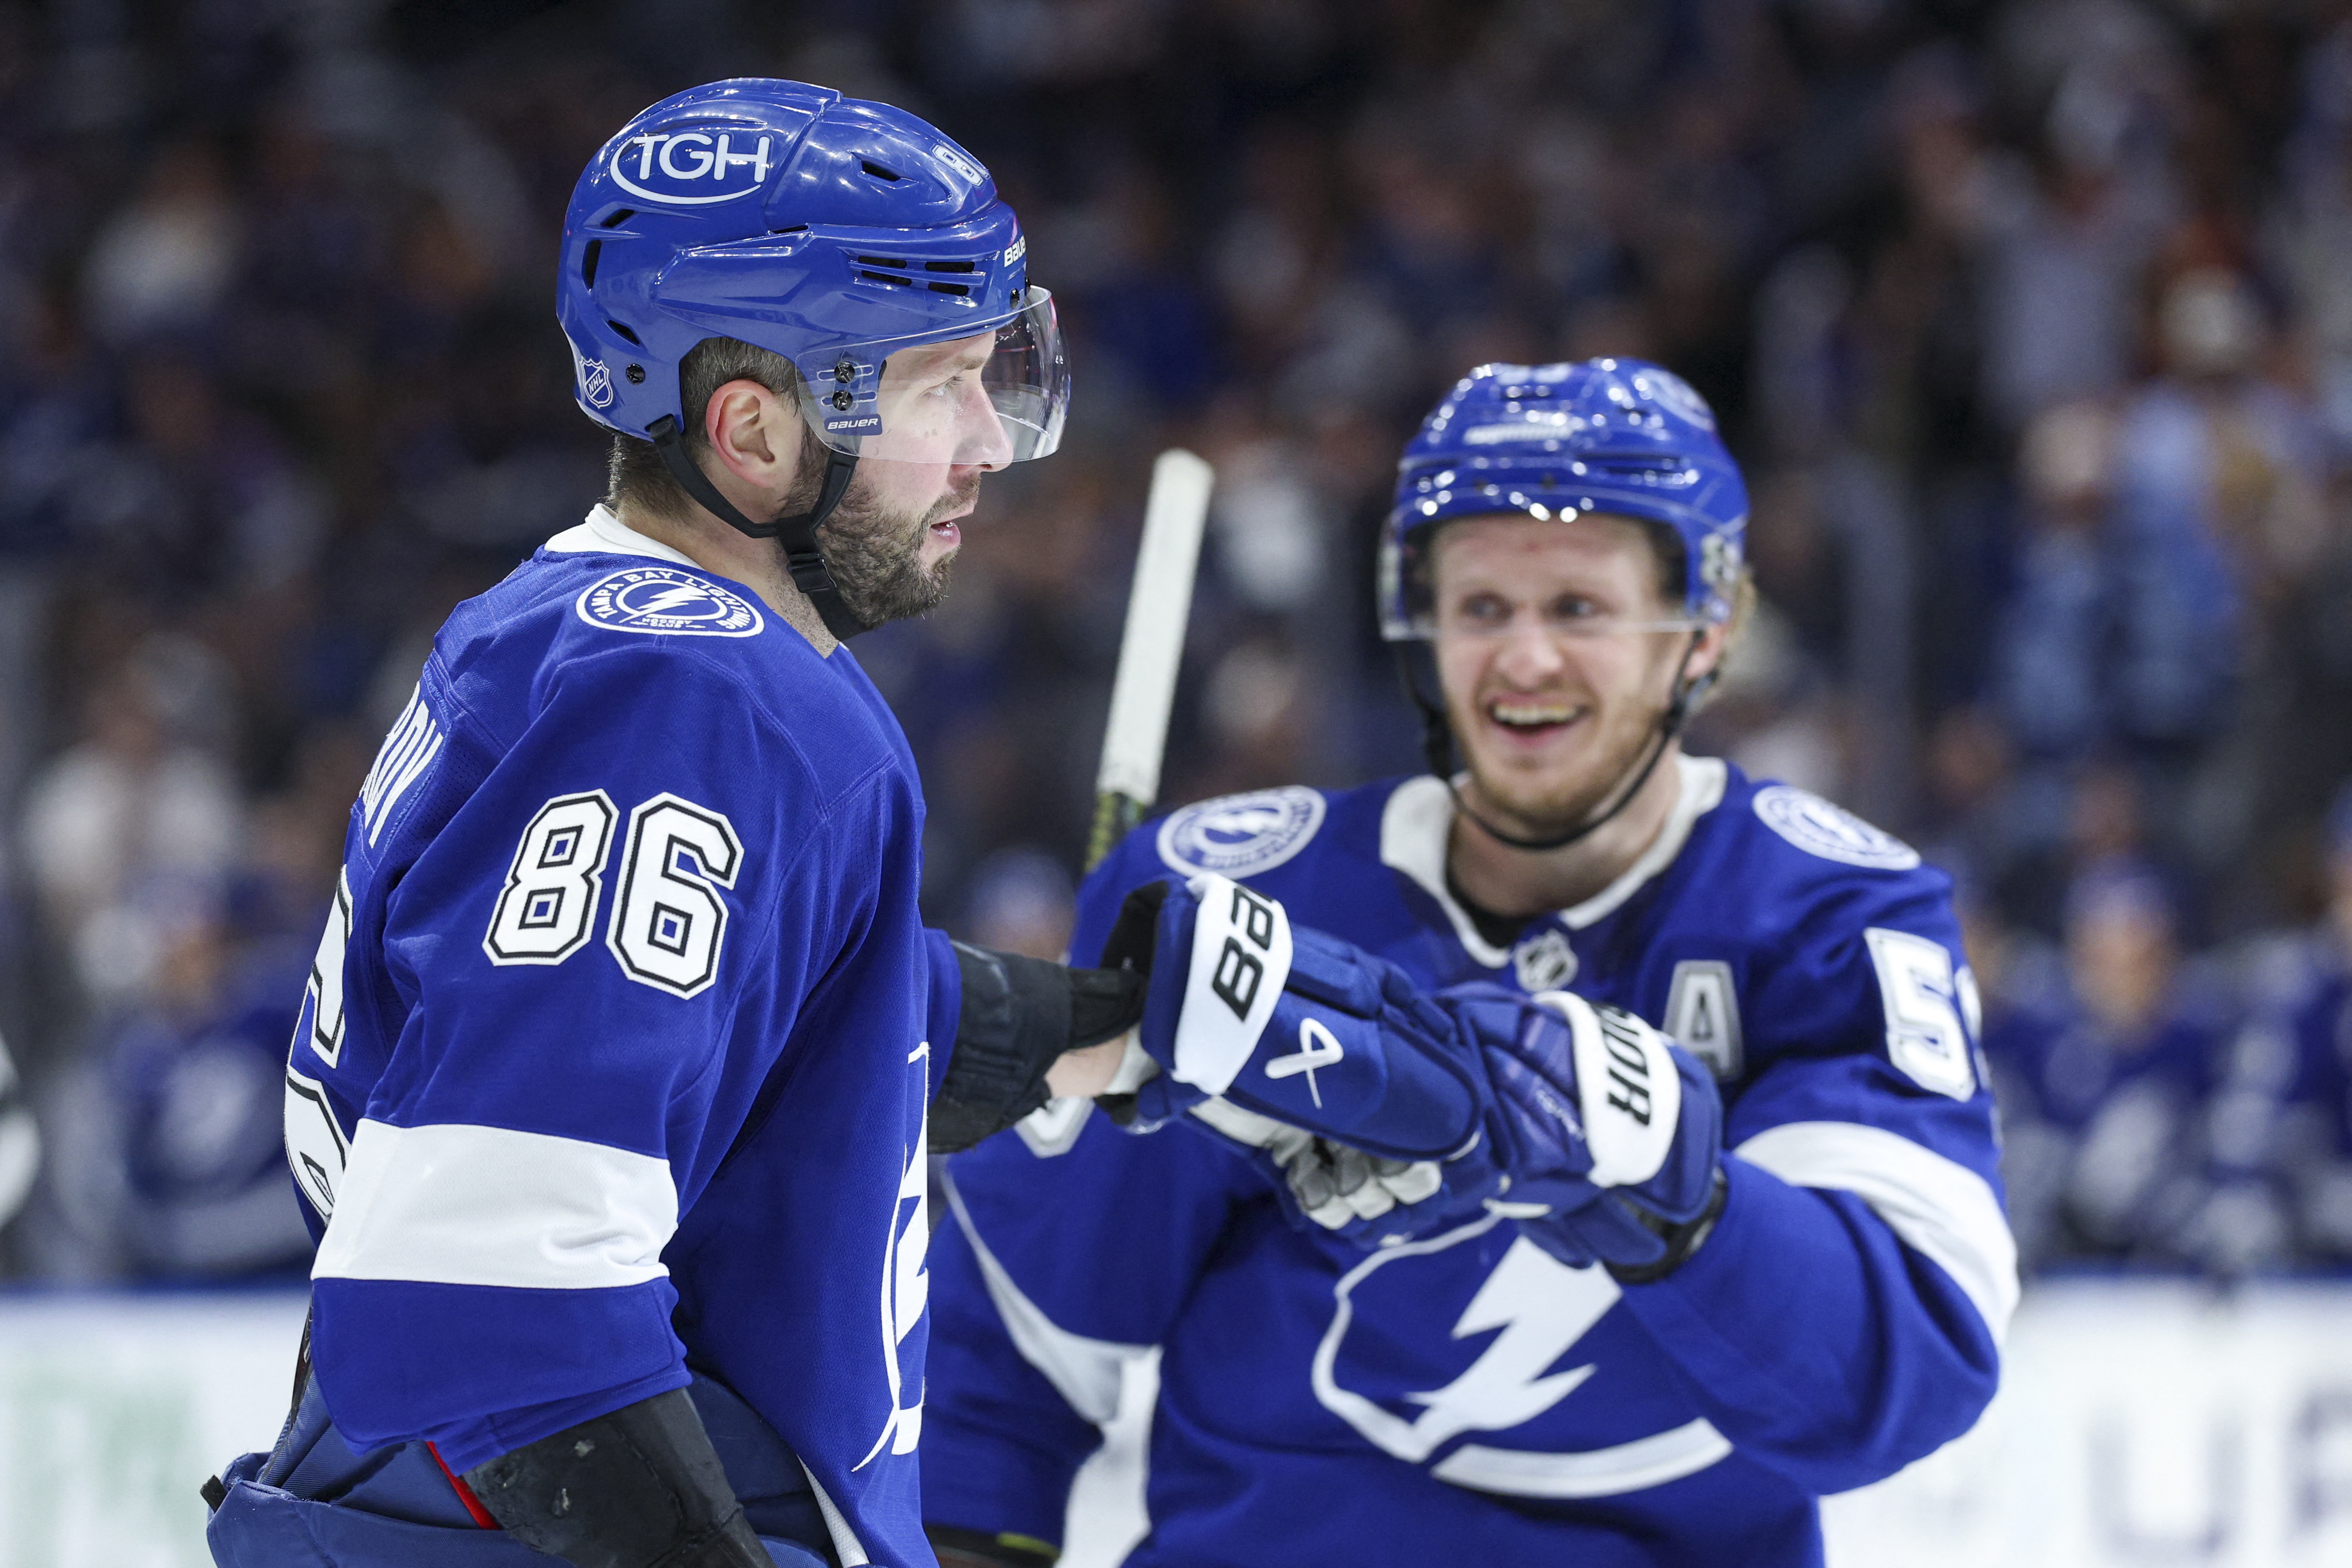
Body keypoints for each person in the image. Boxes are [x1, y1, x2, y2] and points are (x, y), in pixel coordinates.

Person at [202, 79, 1153, 1568]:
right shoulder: (698, 697)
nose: (989, 442)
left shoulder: (573, 633)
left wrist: (1112, 1030)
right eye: (938, 385)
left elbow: (765, 1035)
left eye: (997, 375)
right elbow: (486, 1280)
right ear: (754, 430)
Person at [921, 361, 2017, 1568]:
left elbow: (1900, 1381)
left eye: (1580, 610)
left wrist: (1675, 1182)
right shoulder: (1241, 900)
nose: (1524, 660)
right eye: (1482, 607)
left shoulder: (1827, 916)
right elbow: (1012, 1349)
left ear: (1705, 633)